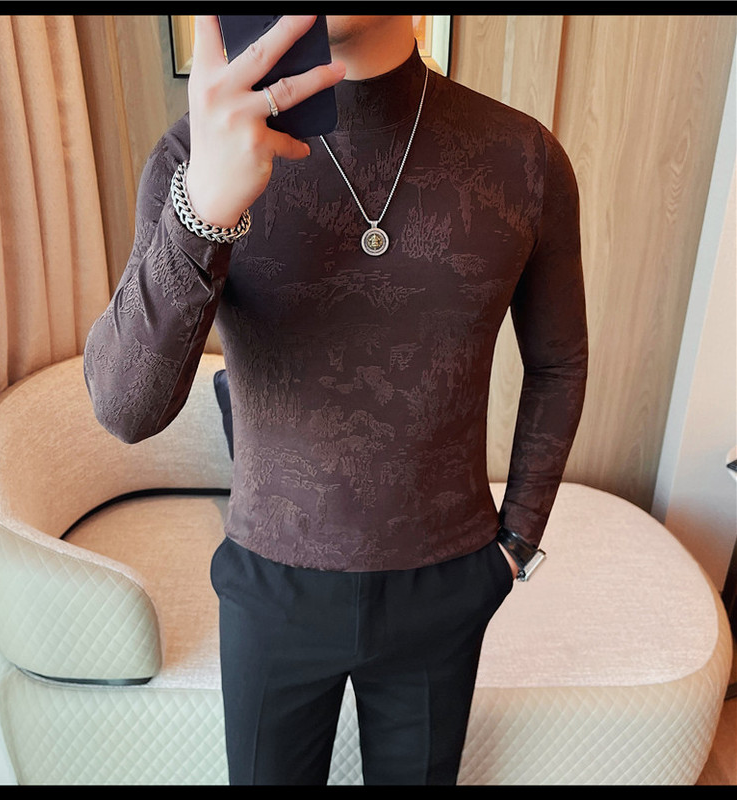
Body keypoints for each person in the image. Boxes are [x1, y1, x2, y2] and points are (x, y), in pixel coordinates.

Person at [83, 14, 588, 786]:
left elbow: (559, 363)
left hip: (447, 580)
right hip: (269, 582)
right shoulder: (197, 153)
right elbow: (124, 408)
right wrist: (204, 210)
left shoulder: (523, 158)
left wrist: (517, 542)